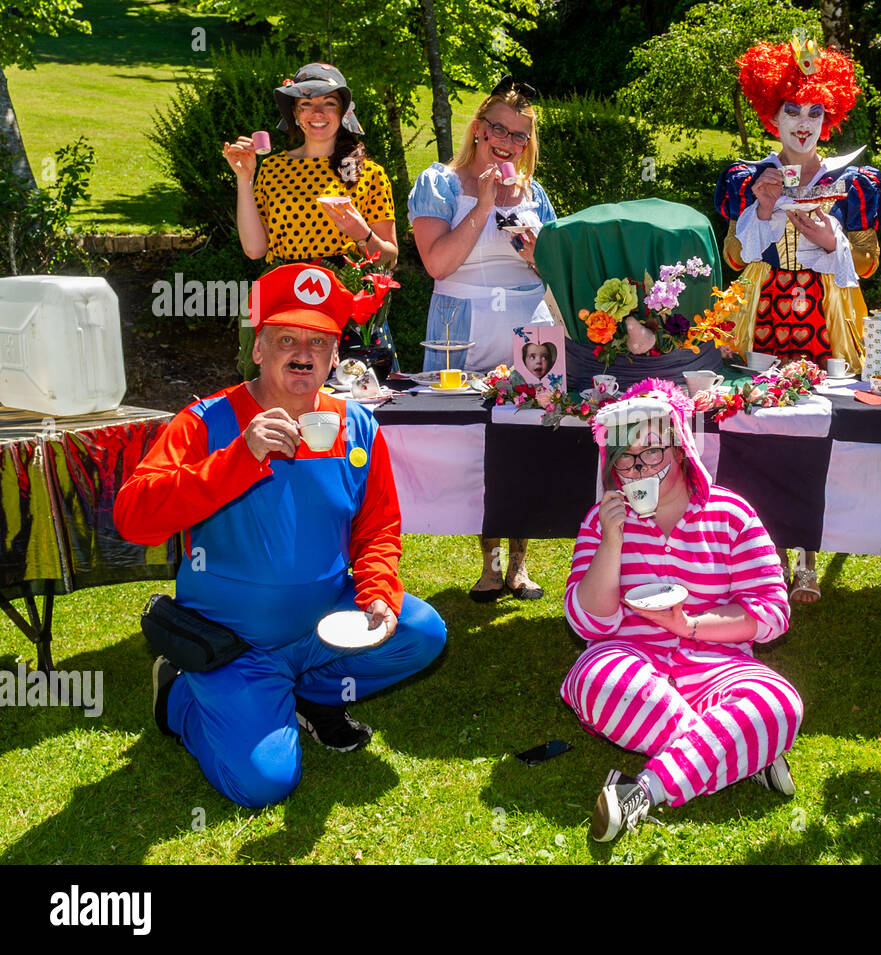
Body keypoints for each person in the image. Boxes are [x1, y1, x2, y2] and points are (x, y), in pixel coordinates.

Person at [114, 263, 447, 809]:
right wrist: (239, 459)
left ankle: (312, 695)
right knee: (264, 784)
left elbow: (377, 526)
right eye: (286, 337)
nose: (303, 352)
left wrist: (379, 594)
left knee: (420, 632)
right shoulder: (205, 422)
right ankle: (179, 694)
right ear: (258, 350)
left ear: (335, 357)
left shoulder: (357, 425)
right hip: (234, 642)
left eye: (318, 341)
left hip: (321, 627)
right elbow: (133, 517)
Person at [562, 380, 804, 842]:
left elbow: (772, 611)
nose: (639, 468)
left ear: (679, 451)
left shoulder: (730, 514)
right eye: (626, 459)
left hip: (718, 661)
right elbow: (587, 622)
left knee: (778, 704)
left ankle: (644, 790)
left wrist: (688, 625)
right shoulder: (602, 520)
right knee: (595, 680)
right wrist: (612, 542)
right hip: (629, 658)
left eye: (651, 453)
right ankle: (741, 753)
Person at [716, 38, 881, 605]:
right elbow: (736, 257)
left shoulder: (853, 183)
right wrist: (764, 209)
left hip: (826, 313)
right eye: (792, 109)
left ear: (830, 116)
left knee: (819, 423)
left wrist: (827, 237)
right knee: (765, 424)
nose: (803, 122)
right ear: (771, 114)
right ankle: (769, 554)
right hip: (765, 311)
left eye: (815, 110)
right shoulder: (749, 180)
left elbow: (862, 266)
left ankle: (810, 557)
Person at [408, 76, 557, 603]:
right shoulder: (438, 183)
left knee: (525, 437)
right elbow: (437, 262)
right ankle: (488, 563)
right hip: (461, 324)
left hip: (530, 327)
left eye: (520, 135)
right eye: (499, 129)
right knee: (477, 440)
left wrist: (538, 253)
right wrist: (484, 204)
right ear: (478, 129)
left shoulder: (536, 192)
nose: (508, 141)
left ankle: (519, 563)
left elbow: (554, 270)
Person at [222, 62, 399, 381]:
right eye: (306, 104)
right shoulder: (272, 169)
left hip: (345, 308)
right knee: (281, 399)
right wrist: (244, 179)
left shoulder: (366, 173)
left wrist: (362, 234)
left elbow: (389, 258)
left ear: (344, 111)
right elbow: (254, 250)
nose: (317, 112)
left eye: (328, 103)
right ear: (294, 113)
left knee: (347, 401)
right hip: (282, 300)